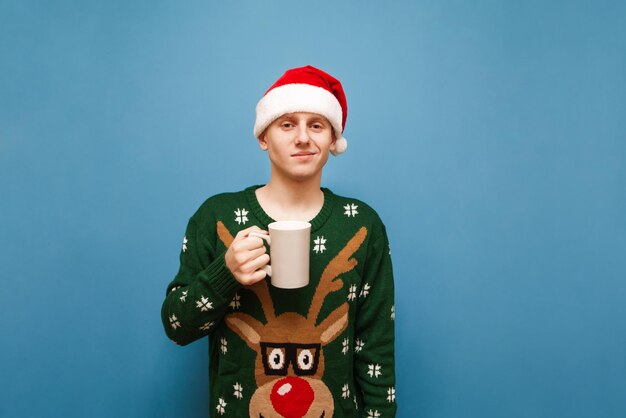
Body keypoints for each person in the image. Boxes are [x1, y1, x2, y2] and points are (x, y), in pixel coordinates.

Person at [161, 65, 396, 417]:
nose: (303, 137)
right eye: (287, 124)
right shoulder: (217, 217)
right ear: (263, 136)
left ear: (332, 139)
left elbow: (375, 349)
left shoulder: (362, 225)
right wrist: (226, 272)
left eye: (316, 125)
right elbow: (177, 326)